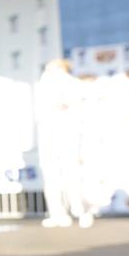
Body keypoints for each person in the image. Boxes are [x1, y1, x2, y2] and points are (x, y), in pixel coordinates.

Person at [36, 59, 94, 228]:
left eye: (52, 67)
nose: (48, 70)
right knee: (50, 176)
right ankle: (57, 213)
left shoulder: (73, 85)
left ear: (62, 68)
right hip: (48, 137)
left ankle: (81, 211)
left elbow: (81, 112)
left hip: (67, 136)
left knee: (72, 174)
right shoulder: (43, 85)